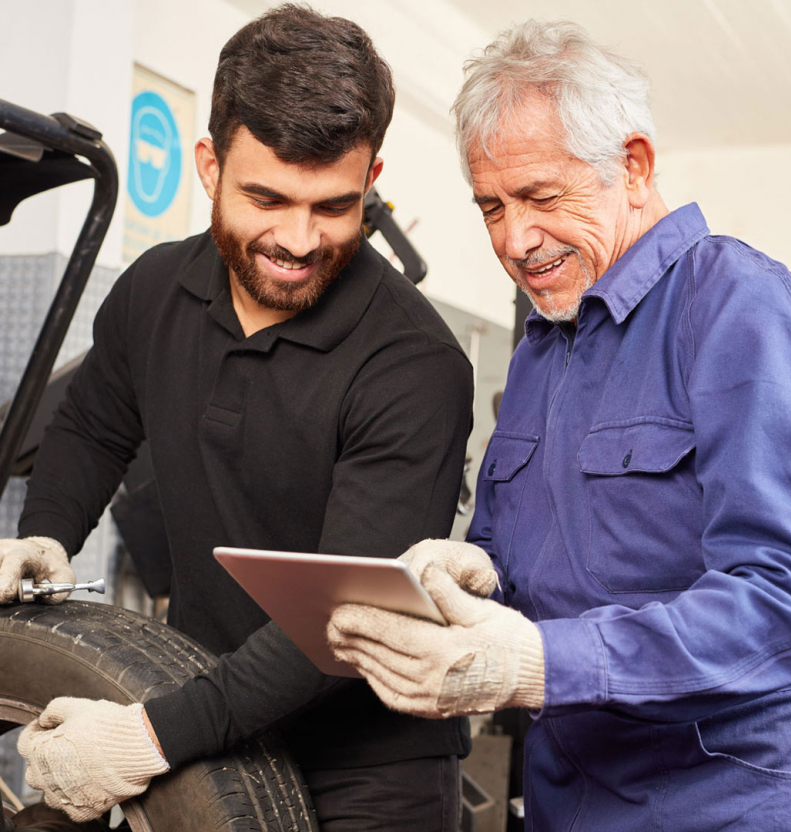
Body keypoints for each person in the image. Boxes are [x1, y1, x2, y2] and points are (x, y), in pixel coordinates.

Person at [327, 19, 791, 831]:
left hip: (728, 806)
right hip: (568, 803)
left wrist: (536, 662)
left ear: (633, 167)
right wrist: (472, 574)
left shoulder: (742, 308)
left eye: (540, 197)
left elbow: (785, 606)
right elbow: (520, 559)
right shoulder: (542, 346)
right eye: (491, 206)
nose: (515, 240)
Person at [10, 5, 473, 830]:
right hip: (204, 714)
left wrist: (146, 736)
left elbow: (342, 617)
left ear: (371, 182)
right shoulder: (153, 291)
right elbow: (91, 426)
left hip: (365, 771)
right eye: (268, 197)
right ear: (210, 165)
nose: (298, 239)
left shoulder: (414, 363)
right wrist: (46, 537)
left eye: (333, 207)